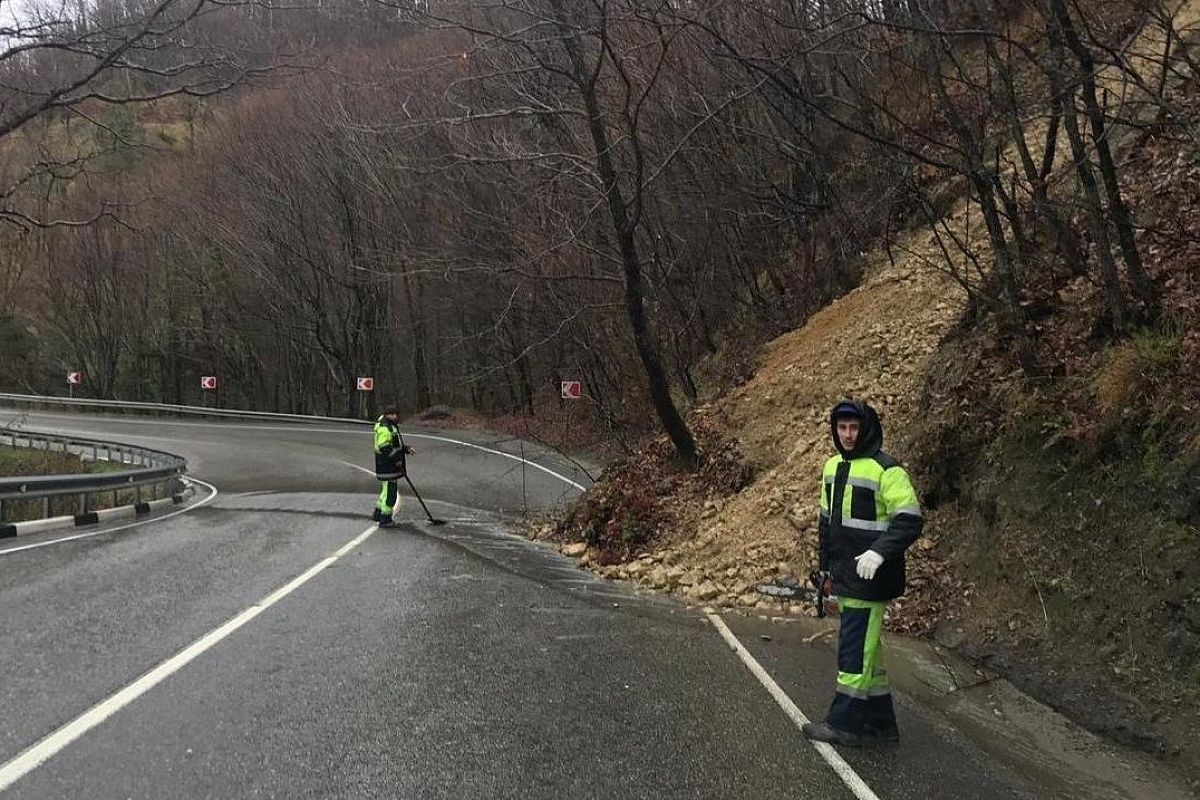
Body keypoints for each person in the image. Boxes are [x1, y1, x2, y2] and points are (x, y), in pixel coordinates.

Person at [802, 400, 923, 746]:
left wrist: (878, 552)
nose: (848, 434)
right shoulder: (832, 467)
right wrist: (826, 571)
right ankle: (881, 724)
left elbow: (910, 520)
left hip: (872, 579)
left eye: (853, 428)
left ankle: (844, 723)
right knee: (870, 652)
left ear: (866, 427)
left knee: (854, 650)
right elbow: (828, 525)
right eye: (842, 428)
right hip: (847, 574)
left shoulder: (888, 470)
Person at [372, 406, 414, 527]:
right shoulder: (386, 428)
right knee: (390, 492)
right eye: (392, 414)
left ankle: (378, 513)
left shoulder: (390, 426)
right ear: (387, 415)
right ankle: (385, 518)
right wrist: (396, 458)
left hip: (387, 465)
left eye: (396, 414)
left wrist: (405, 449)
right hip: (387, 465)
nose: (395, 416)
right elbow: (384, 446)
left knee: (385, 490)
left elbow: (394, 444)